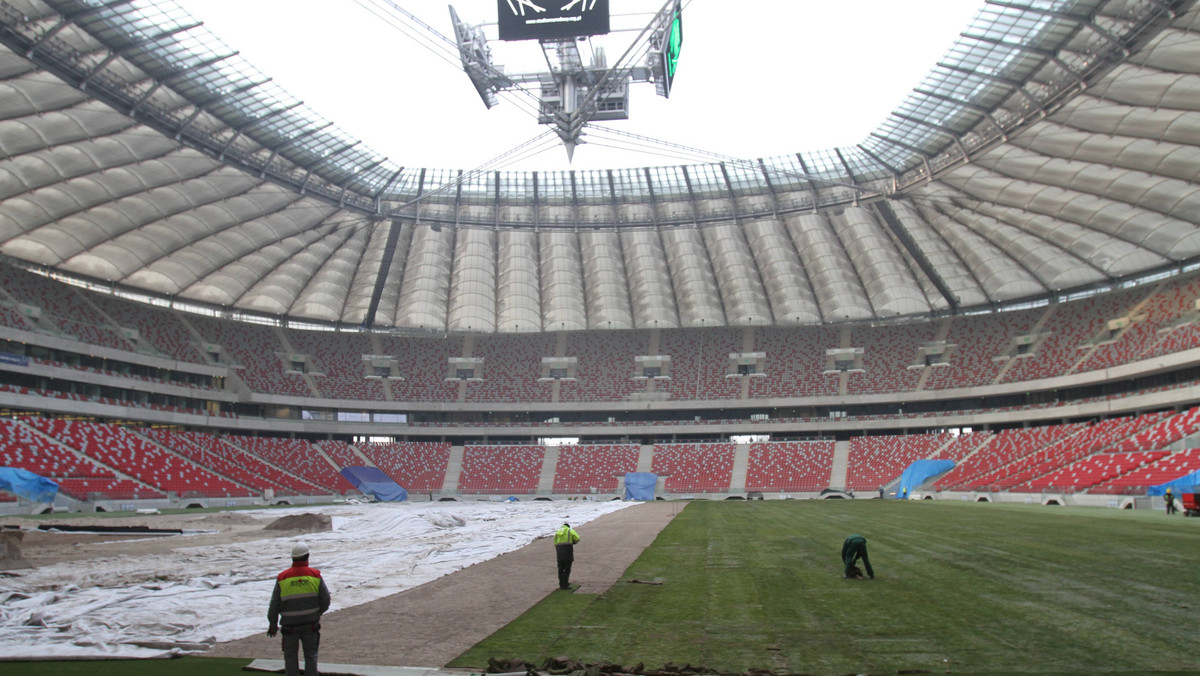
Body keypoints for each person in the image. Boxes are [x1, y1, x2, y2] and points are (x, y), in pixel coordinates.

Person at [268, 542, 331, 676]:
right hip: (311, 625)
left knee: (290, 658)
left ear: (292, 558)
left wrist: (273, 624)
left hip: (289, 627)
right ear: (307, 556)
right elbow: (325, 600)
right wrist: (316, 613)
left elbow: (274, 604)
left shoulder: (282, 578)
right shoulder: (315, 575)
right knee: (311, 655)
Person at [554, 522, 581, 590]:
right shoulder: (569, 530)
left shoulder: (557, 532)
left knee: (560, 568)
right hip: (568, 550)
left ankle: (561, 584)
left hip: (559, 551)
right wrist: (573, 542)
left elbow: (555, 543)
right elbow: (577, 538)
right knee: (567, 568)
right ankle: (565, 585)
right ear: (568, 526)